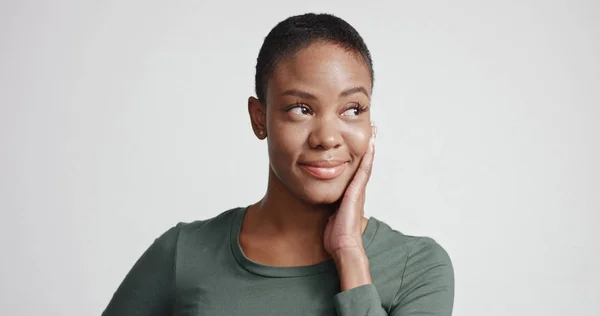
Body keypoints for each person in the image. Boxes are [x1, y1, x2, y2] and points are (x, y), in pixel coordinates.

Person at [102, 13, 454, 316]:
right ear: (259, 119)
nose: (327, 137)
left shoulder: (418, 266)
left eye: (352, 109)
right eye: (301, 108)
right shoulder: (183, 253)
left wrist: (349, 255)